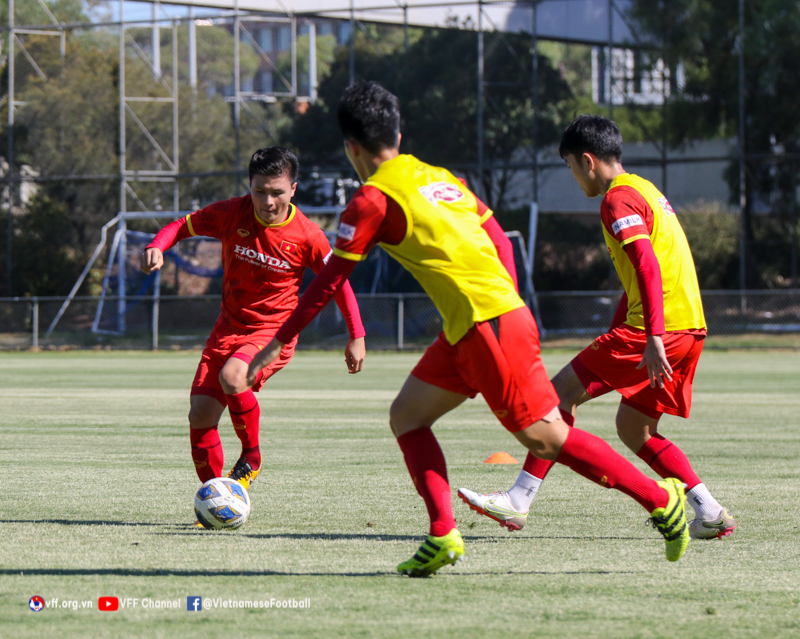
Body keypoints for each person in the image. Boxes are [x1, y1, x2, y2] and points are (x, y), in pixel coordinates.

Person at [246, 83, 690, 577]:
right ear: (398, 134)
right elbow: (500, 239)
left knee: (545, 437)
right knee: (407, 416)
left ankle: (660, 500)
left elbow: (329, 280)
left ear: (351, 147)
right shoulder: (440, 177)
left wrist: (278, 340)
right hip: (475, 324)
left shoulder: (370, 201)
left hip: (487, 325)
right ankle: (443, 535)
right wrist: (510, 305)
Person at [458, 114, 736, 541]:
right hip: (689, 328)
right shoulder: (646, 190)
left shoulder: (616, 201)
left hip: (660, 330)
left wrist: (652, 336)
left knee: (555, 396)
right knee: (635, 429)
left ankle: (518, 500)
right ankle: (710, 510)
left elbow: (646, 265)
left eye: (571, 167)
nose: (574, 177)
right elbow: (640, 276)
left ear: (588, 161)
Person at [140, 147, 366, 496]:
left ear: (293, 189)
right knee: (200, 415)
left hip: (273, 333)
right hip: (227, 328)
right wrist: (156, 245)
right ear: (250, 185)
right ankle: (217, 497)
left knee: (233, 377)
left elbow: (337, 281)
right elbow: (182, 225)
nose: (268, 201)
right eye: (259, 190)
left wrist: (356, 334)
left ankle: (252, 456)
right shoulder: (232, 213)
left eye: (277, 192)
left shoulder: (308, 235)